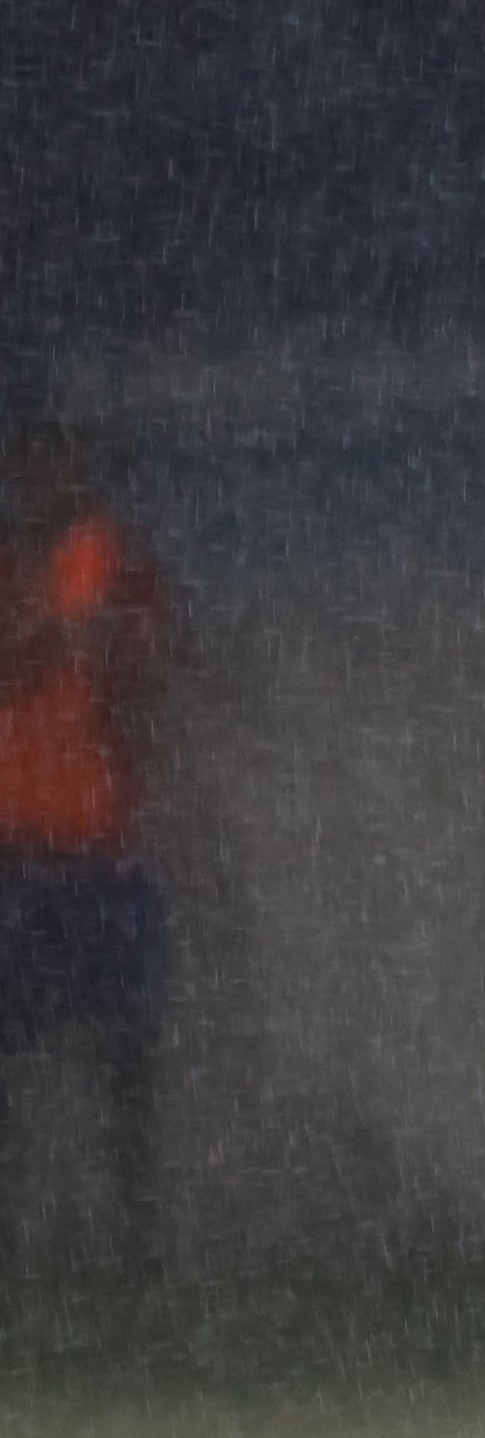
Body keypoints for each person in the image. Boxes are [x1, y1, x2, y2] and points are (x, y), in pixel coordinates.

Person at [0, 421, 174, 1264]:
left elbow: (142, 669)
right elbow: (27, 658)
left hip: (102, 849)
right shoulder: (12, 570)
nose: (45, 475)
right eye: (33, 459)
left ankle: (135, 1236)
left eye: (59, 456)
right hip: (16, 854)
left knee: (127, 1046)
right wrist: (47, 628)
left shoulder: (116, 563)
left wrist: (96, 638)